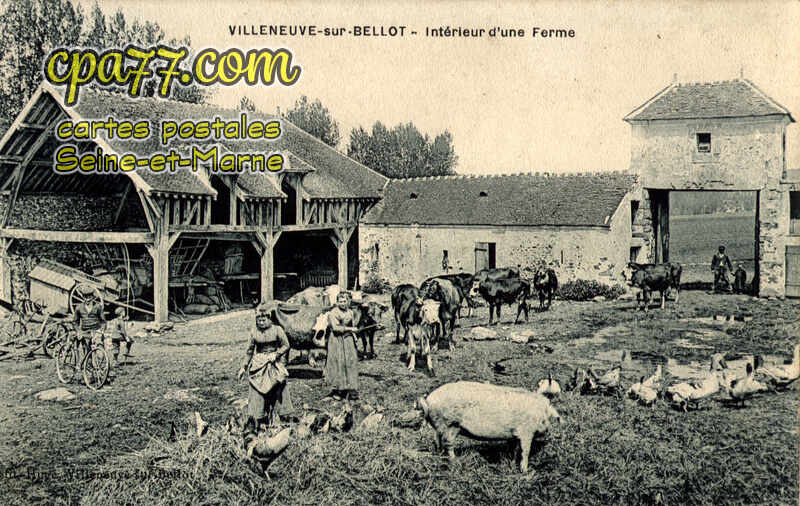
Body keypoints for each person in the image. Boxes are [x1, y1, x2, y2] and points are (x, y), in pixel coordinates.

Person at [238, 304, 292, 432]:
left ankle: (281, 416)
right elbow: (249, 351)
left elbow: (286, 345)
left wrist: (276, 354)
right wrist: (243, 367)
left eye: (264, 320)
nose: (261, 323)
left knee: (278, 385)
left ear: (269, 319)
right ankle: (259, 417)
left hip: (274, 361)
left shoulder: (277, 329)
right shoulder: (254, 331)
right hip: (259, 363)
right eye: (259, 320)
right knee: (257, 388)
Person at [324, 292, 360, 400]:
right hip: (336, 340)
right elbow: (335, 328)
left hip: (348, 340)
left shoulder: (350, 312)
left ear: (348, 301)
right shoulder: (333, 313)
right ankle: (337, 390)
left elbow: (352, 325)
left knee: (350, 362)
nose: (343, 303)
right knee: (337, 363)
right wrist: (350, 329)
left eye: (344, 301)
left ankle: (350, 388)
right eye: (340, 301)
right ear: (337, 302)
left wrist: (354, 336)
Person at [70, 285, 106, 358]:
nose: (88, 299)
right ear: (83, 297)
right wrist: (78, 331)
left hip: (96, 330)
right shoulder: (79, 308)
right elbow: (75, 322)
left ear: (93, 297)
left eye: (89, 297)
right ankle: (88, 365)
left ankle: (101, 364)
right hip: (85, 331)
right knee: (86, 350)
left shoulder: (98, 307)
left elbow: (103, 321)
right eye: (86, 297)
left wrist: (102, 330)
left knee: (99, 350)